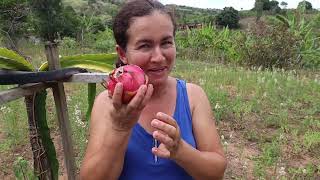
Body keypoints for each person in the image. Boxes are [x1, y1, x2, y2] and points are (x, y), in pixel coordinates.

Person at [80, 0, 227, 179]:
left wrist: (181, 150)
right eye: (145, 46)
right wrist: (120, 129)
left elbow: (217, 172)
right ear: (122, 54)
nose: (158, 57)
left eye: (166, 43)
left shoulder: (193, 96)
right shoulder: (108, 103)